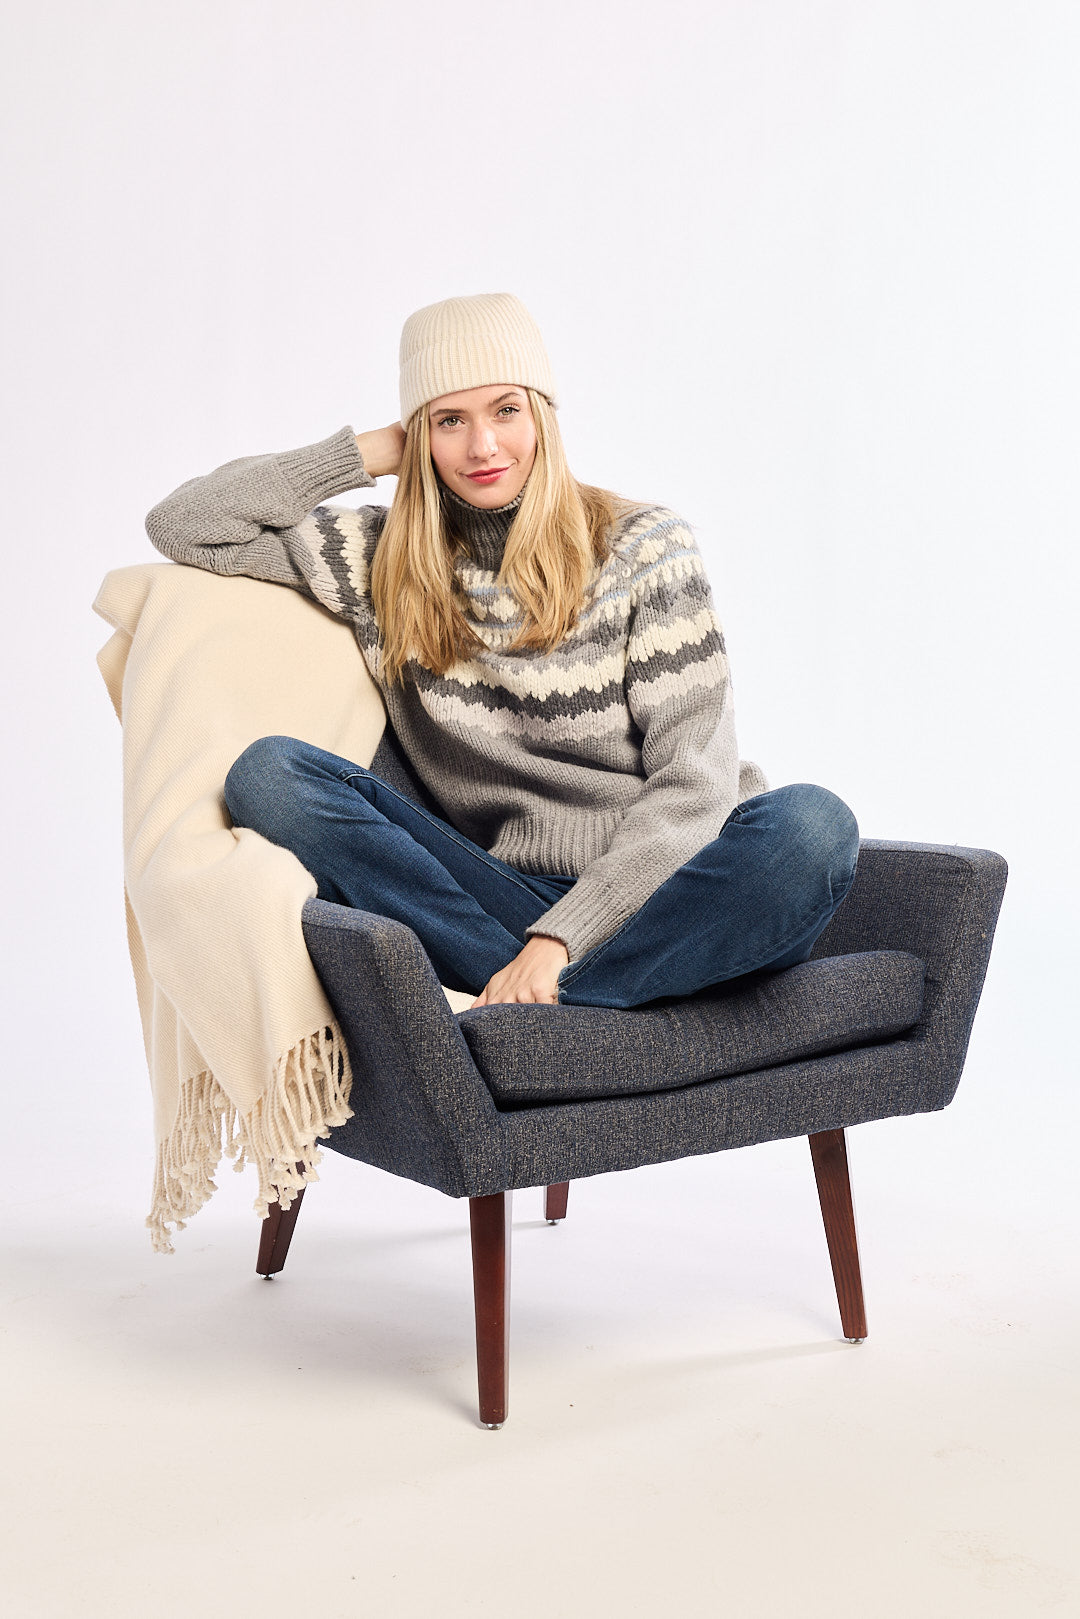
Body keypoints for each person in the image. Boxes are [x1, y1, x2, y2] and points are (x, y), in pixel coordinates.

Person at [145, 291, 859, 1011]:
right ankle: (578, 1002)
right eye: (450, 420)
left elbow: (695, 785)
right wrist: (367, 453)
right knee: (269, 776)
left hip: (672, 886)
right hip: (502, 899)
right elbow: (185, 524)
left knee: (812, 829)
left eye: (506, 410)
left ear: (543, 415)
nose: (483, 446)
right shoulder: (379, 559)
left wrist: (558, 944)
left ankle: (552, 1000)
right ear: (419, 433)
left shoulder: (647, 546)